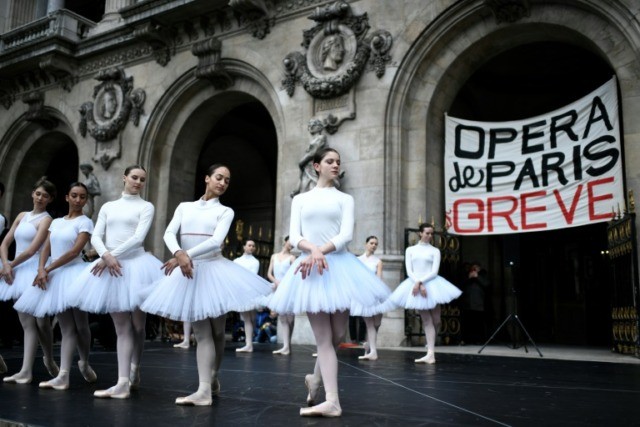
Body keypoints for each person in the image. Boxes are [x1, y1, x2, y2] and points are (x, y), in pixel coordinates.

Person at [268, 147, 390, 417]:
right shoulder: (301, 199)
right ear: (316, 166)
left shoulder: (345, 198)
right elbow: (294, 233)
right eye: (330, 161)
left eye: (338, 162)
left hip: (340, 267)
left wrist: (319, 250)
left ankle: (314, 380)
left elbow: (346, 234)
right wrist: (313, 250)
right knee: (324, 338)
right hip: (310, 269)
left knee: (336, 336)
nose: (335, 165)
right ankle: (332, 400)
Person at [140, 164, 272, 406]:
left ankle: (213, 376)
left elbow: (215, 241)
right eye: (219, 178)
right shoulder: (184, 207)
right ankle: (203, 389)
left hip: (214, 271)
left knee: (218, 331)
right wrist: (179, 252)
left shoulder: (225, 211)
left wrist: (183, 255)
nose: (222, 183)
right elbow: (168, 233)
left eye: (227, 181)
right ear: (207, 178)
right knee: (202, 333)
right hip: (189, 271)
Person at [70, 165, 163, 399]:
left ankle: (135, 368)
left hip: (138, 267)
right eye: (134, 177)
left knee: (139, 326)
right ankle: (122, 382)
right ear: (124, 178)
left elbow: (138, 238)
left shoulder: (146, 206)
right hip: (112, 268)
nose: (138, 182)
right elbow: (96, 236)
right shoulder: (109, 207)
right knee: (122, 328)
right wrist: (105, 256)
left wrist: (111, 256)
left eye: (142, 179)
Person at [14, 182, 98, 390]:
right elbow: (46, 249)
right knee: (66, 327)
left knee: (81, 324)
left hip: (74, 274)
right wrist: (42, 268)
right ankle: (63, 375)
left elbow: (73, 252)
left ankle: (85, 362)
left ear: (85, 200)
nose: (78, 200)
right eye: (74, 196)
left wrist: (48, 269)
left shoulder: (85, 222)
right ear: (67, 198)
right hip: (56, 275)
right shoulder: (57, 222)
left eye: (82, 197)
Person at [1, 177, 59, 384]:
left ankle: (49, 359)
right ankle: (26, 370)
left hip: (34, 270)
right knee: (27, 322)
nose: (40, 197)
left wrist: (11, 265)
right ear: (32, 194)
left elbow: (33, 249)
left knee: (43, 323)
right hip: (17, 269)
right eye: (38, 193)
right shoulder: (22, 215)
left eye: (45, 195)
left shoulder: (46, 219)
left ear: (50, 199)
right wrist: (6, 264)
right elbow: (5, 242)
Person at [388, 223, 462, 364]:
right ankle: (430, 354)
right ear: (420, 233)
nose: (429, 236)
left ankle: (430, 344)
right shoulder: (410, 249)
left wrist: (420, 282)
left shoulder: (435, 251)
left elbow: (434, 271)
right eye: (427, 233)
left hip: (432, 285)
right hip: (415, 284)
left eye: (431, 233)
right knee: (427, 321)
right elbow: (409, 270)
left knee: (437, 321)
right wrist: (417, 283)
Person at [356, 235, 389, 361]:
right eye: (371, 243)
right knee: (369, 323)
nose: (374, 245)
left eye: (376, 243)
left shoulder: (378, 261)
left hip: (376, 293)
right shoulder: (358, 260)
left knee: (377, 323)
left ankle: (369, 345)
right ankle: (373, 351)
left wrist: (378, 293)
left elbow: (379, 278)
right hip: (363, 293)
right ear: (366, 244)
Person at [266, 235, 296, 355]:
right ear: (285, 241)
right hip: (277, 287)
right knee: (282, 318)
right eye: (290, 241)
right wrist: (275, 281)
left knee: (290, 318)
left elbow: (294, 274)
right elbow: (269, 273)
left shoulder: (292, 258)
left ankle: (287, 344)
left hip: (288, 288)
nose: (291, 244)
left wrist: (284, 283)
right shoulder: (274, 256)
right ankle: (286, 346)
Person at [233, 239, 260, 353]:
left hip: (250, 290)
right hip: (240, 291)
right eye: (249, 245)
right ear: (244, 247)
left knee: (251, 318)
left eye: (253, 246)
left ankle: (249, 343)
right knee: (246, 318)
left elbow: (252, 276)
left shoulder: (255, 261)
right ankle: (249, 344)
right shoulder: (236, 261)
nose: (251, 247)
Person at [460, 262, 490, 345]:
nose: (474, 269)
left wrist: (477, 277)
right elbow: (460, 285)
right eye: (473, 267)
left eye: (476, 267)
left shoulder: (483, 275)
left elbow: (486, 284)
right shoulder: (467, 275)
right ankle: (467, 340)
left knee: (479, 323)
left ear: (479, 268)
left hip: (479, 304)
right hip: (467, 304)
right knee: (468, 323)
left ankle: (480, 340)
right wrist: (468, 278)